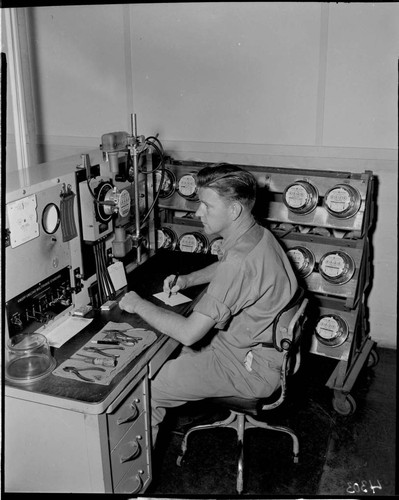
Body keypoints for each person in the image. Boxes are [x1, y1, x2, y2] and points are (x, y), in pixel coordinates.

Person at [119, 163, 298, 446]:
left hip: (245, 368)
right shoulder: (256, 235)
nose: (197, 211)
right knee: (169, 355)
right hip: (260, 350)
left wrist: (137, 304)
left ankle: (136, 478)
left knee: (143, 391)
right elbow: (228, 266)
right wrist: (189, 279)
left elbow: (190, 333)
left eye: (206, 205)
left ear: (234, 210)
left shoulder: (240, 260)